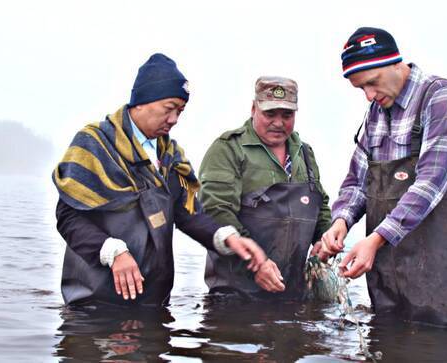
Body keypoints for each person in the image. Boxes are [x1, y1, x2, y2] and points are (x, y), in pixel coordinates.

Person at [52, 53, 266, 307]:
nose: (175, 119)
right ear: (141, 102)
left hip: (153, 303)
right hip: (95, 303)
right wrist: (113, 251)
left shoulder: (170, 157)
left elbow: (188, 215)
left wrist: (226, 237)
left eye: (180, 111)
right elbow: (68, 218)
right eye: (169, 109)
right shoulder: (95, 145)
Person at [321, 27, 447, 326]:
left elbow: (431, 183)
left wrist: (375, 239)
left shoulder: (442, 99)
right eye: (361, 89)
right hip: (388, 278)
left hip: (438, 275)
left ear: (396, 63)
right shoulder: (375, 111)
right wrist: (340, 222)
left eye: (372, 83)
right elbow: (358, 181)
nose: (369, 95)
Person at [198, 76, 332, 299]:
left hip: (293, 295)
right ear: (253, 108)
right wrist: (255, 264)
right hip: (237, 296)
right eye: (270, 114)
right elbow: (214, 211)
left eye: (287, 115)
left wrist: (324, 239)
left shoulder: (305, 154)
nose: (278, 123)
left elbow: (321, 207)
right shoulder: (229, 149)